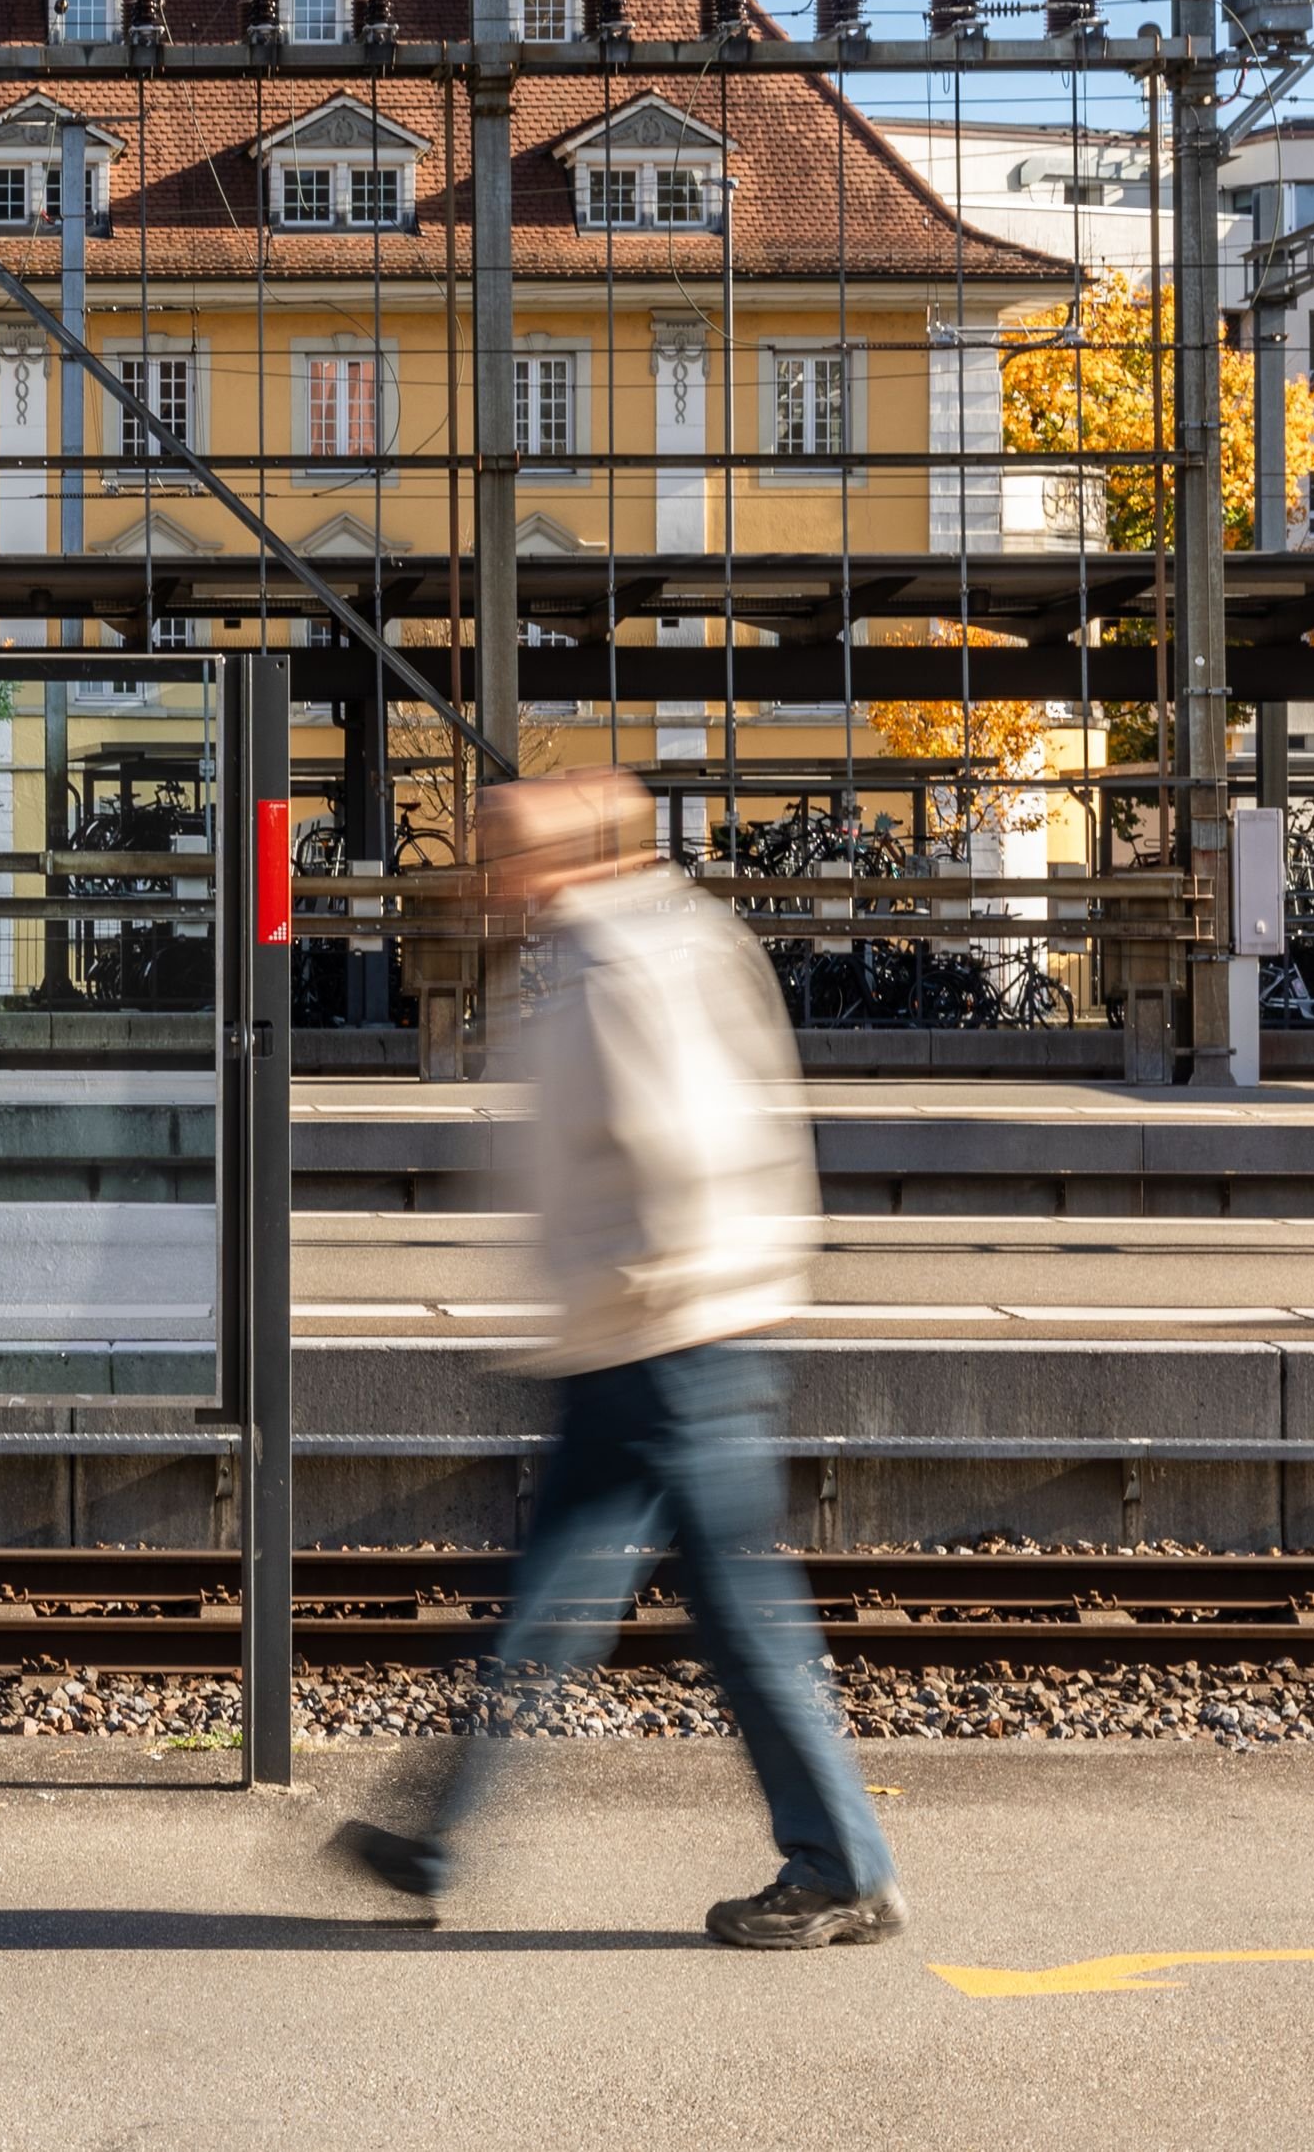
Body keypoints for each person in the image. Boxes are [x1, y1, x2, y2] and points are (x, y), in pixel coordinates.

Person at [329, 767, 903, 1952]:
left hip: (664, 1336)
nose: (490, 875)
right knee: (552, 1596)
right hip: (644, 1332)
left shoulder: (620, 964)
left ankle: (842, 1866)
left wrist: (636, 1295)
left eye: (507, 851)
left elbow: (677, 1140)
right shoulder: (654, 937)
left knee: (729, 1609)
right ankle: (435, 1832)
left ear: (574, 854)